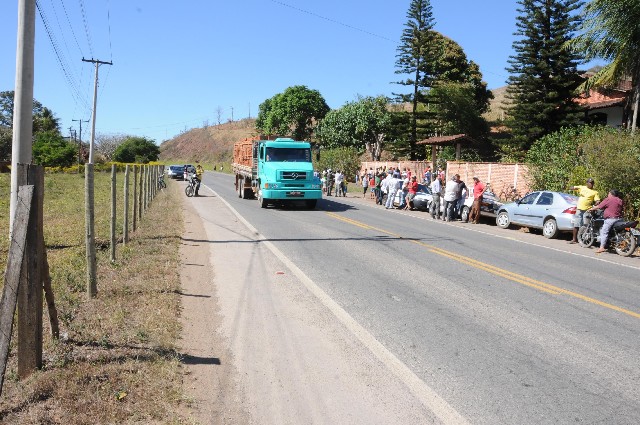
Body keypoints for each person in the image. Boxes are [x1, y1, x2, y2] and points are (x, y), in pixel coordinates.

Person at [588, 189, 624, 254]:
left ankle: (601, 247)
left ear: (611, 194)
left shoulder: (609, 199)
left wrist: (591, 209)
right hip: (619, 219)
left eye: (608, 193)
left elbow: (599, 206)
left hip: (611, 219)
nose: (608, 195)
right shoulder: (620, 200)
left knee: (604, 232)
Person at [567, 178, 600, 244]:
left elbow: (597, 200)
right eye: (589, 183)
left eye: (592, 183)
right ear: (587, 183)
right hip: (579, 209)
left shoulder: (595, 192)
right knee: (576, 224)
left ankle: (583, 240)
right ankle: (574, 239)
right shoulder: (582, 187)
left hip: (587, 210)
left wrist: (596, 203)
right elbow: (573, 187)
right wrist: (569, 187)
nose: (590, 184)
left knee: (586, 225)